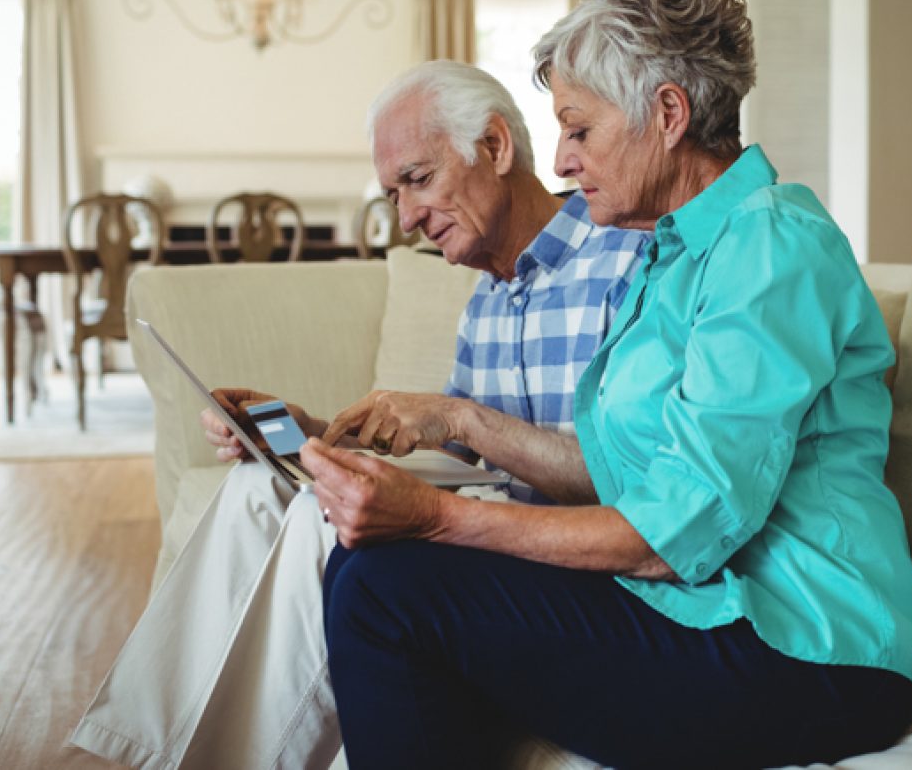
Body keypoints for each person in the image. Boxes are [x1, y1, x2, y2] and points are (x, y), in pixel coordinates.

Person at [308, 0, 912, 770]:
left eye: (580, 128)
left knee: (383, 592)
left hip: (807, 648)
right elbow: (613, 470)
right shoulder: (668, 256)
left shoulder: (770, 244)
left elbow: (673, 535)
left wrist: (440, 519)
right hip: (699, 609)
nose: (564, 161)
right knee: (375, 565)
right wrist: (452, 431)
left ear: (668, 113)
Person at [70, 61, 648, 770]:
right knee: (260, 488)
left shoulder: (628, 257)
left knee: (336, 528)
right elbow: (465, 456)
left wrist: (457, 418)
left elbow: (634, 481)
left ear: (496, 148)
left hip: (569, 561)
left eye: (417, 179)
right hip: (496, 529)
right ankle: (151, 753)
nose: (405, 217)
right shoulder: (488, 299)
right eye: (392, 193)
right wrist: (310, 433)